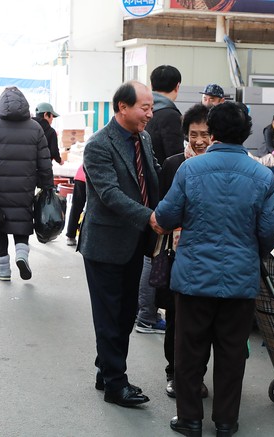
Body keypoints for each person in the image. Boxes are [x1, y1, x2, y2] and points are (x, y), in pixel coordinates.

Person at [153, 102, 274, 437]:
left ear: (212, 131)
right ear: (247, 132)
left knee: (189, 352)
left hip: (194, 279)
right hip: (239, 281)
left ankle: (190, 420)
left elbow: (166, 217)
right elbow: (270, 232)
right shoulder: (262, 176)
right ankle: (226, 422)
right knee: (232, 353)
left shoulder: (190, 170)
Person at [78, 80, 163, 408]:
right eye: (145, 107)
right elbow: (110, 194)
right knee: (109, 314)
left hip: (136, 241)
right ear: (122, 108)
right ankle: (116, 383)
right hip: (105, 244)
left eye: (151, 107)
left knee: (125, 312)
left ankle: (105, 368)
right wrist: (150, 217)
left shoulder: (143, 138)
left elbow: (153, 176)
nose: (150, 114)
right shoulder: (99, 145)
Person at [0, 86, 54, 281]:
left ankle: (4, 270)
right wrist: (47, 185)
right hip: (25, 186)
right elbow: (44, 159)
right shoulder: (36, 128)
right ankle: (22, 255)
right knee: (21, 221)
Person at [157, 103, 211, 399]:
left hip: (207, 256)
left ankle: (197, 374)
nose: (199, 140)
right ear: (186, 134)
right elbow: (162, 209)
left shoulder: (218, 166)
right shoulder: (173, 164)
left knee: (204, 322)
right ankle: (173, 372)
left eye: (205, 134)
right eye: (194, 134)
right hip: (177, 255)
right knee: (177, 318)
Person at [135, 64, 183, 335]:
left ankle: (142, 311)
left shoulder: (145, 112)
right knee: (155, 254)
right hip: (164, 192)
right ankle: (147, 315)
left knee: (149, 252)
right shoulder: (170, 116)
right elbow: (177, 158)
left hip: (147, 190)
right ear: (177, 87)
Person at [65, 164, 86, 246]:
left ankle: (70, 235)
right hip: (92, 178)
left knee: (76, 208)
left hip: (80, 175)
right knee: (93, 208)